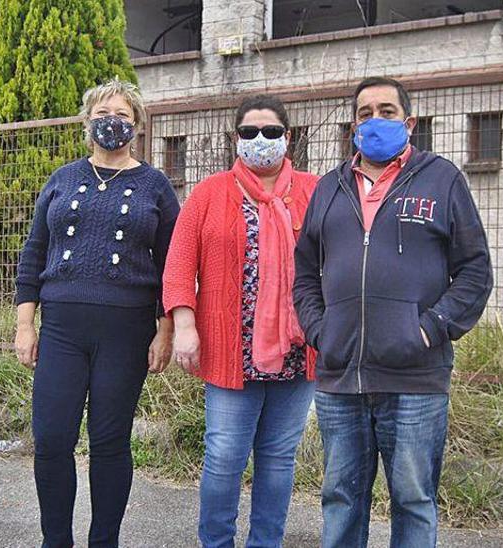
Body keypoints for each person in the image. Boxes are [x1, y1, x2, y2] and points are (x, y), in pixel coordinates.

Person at [292, 77, 494, 548]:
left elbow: (474, 271)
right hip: (341, 376)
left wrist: (429, 329)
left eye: (386, 110)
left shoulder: (442, 179)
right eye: (365, 113)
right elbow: (304, 273)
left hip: (414, 377)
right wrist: (321, 331)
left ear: (409, 121)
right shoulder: (329, 188)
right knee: (340, 498)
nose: (375, 120)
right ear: (353, 124)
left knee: (413, 499)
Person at [13, 77, 179, 548]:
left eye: (123, 116)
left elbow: (173, 265)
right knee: (51, 441)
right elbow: (34, 252)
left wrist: (164, 331)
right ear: (88, 123)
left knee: (109, 443)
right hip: (62, 328)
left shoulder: (155, 185)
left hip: (125, 333)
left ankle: (104, 541)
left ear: (138, 126)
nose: (113, 123)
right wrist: (26, 324)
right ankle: (55, 541)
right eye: (104, 114)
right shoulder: (62, 179)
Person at [163, 95, 319, 548]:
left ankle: (265, 543)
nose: (260, 140)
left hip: (297, 351)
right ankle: (216, 543)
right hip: (231, 351)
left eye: (271, 131)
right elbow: (178, 265)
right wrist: (185, 326)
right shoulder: (210, 192)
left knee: (277, 458)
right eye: (249, 132)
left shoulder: (314, 191)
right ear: (236, 139)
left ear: (288, 138)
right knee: (224, 456)